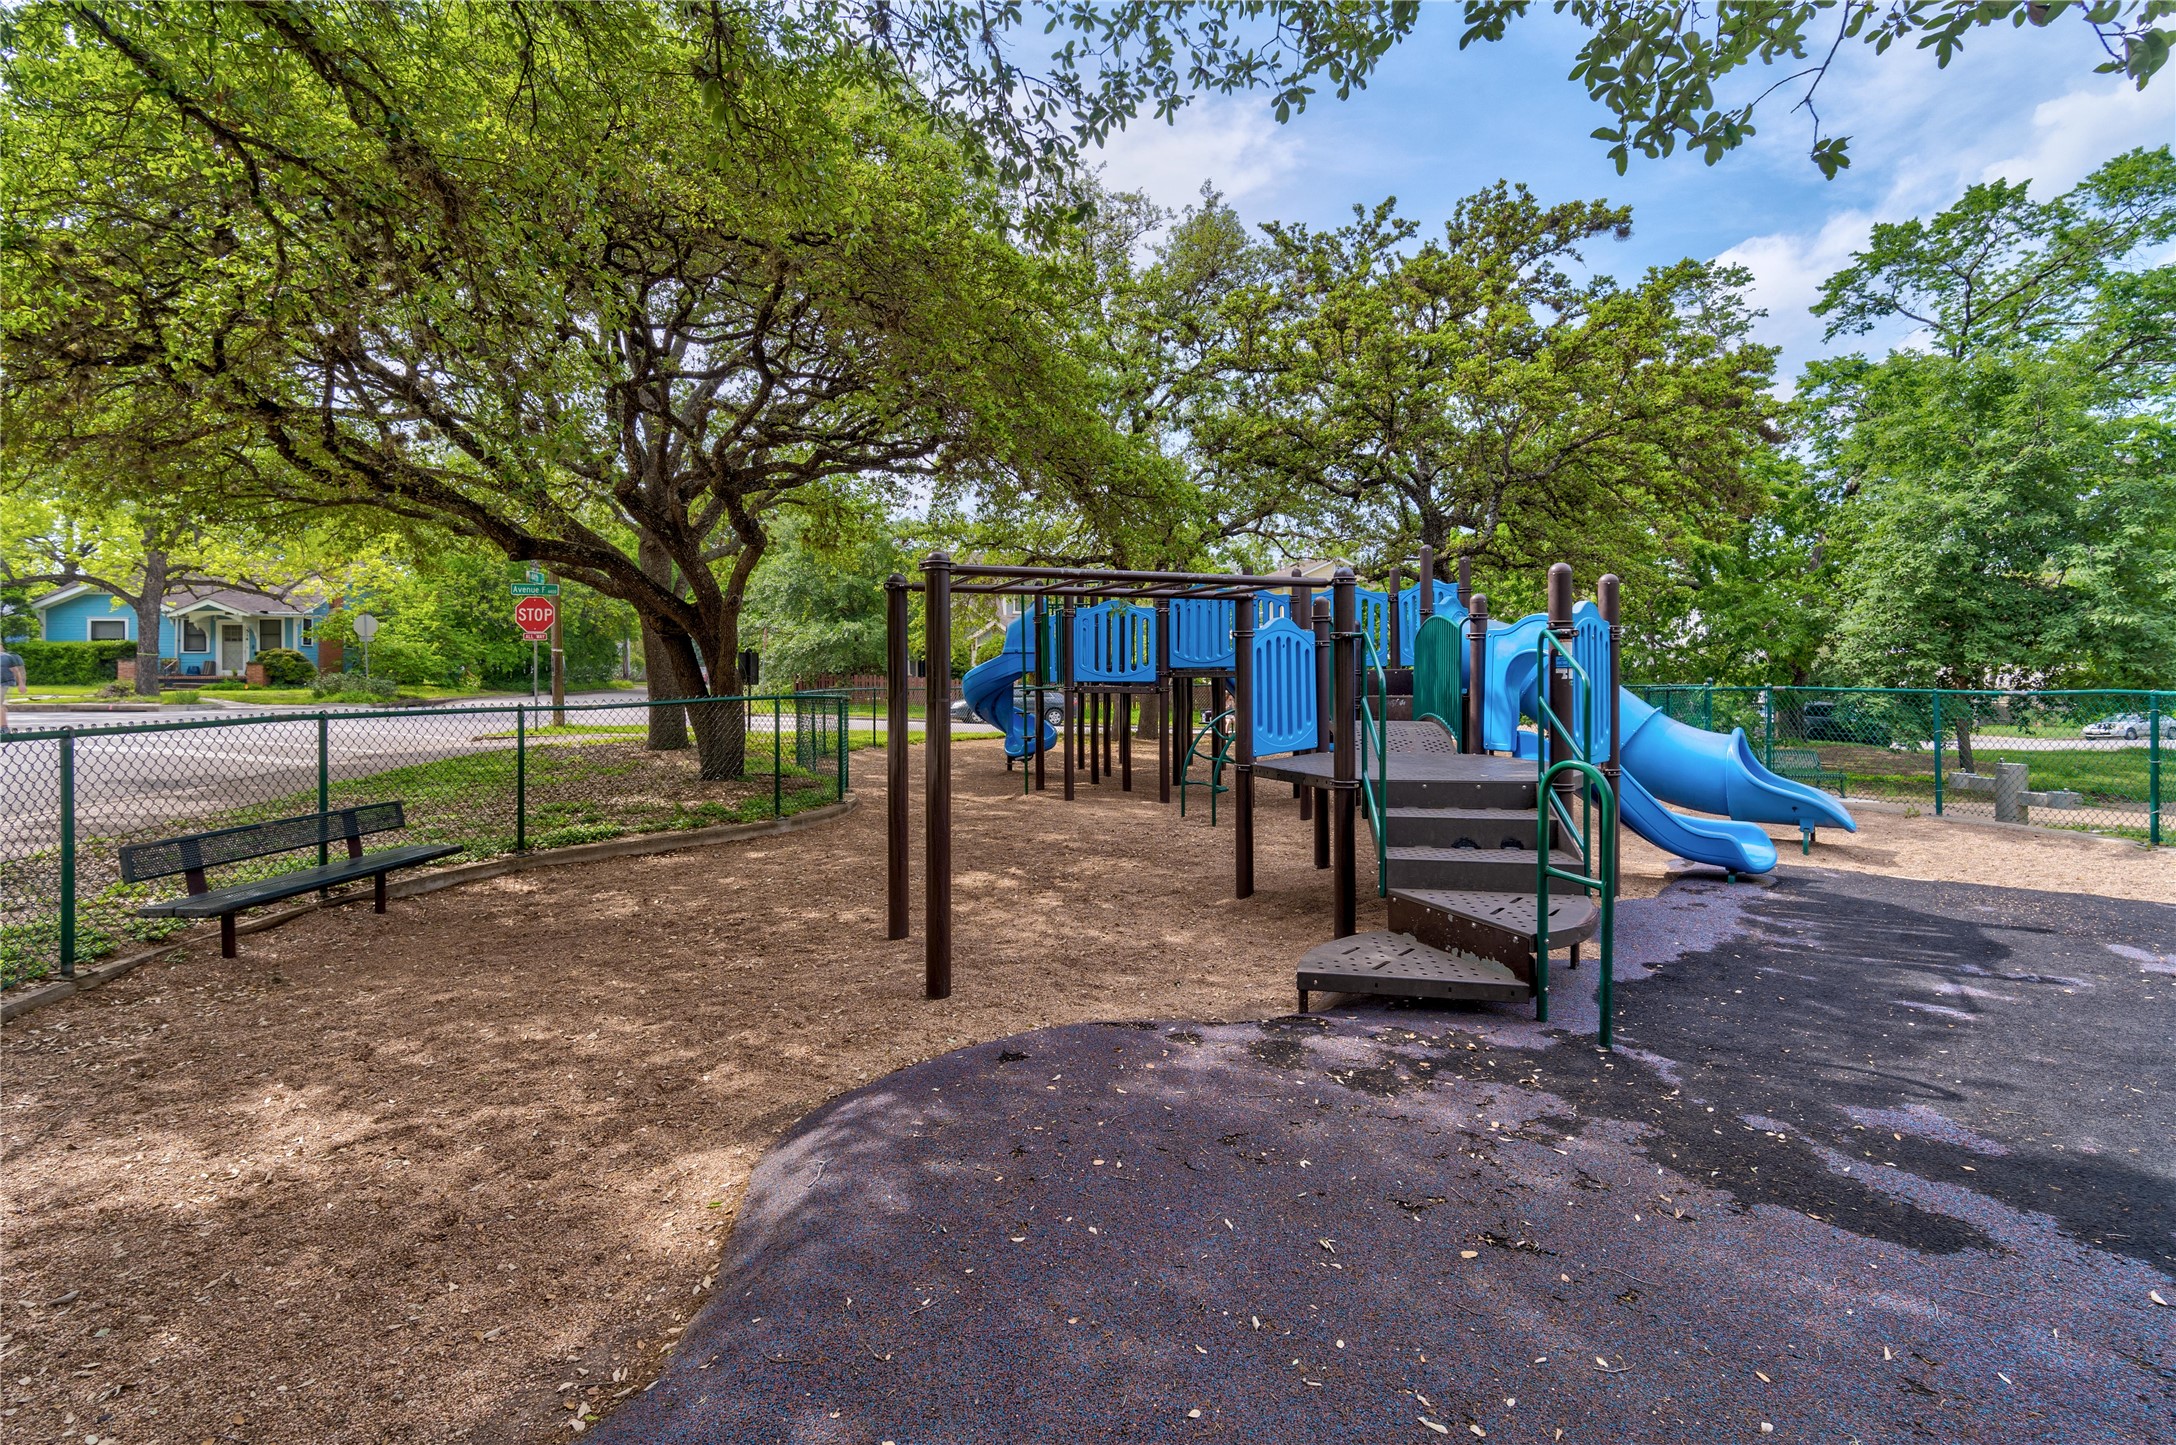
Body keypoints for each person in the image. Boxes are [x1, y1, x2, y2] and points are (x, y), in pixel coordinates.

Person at [0, 645, 21, 733]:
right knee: (1, 706)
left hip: (5, 684)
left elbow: (16, 671)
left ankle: (4, 727)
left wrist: (21, 684)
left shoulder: (7, 657)